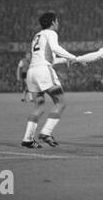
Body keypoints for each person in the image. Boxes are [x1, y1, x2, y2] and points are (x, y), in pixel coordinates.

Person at [21, 12, 77, 149]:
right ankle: (46, 132)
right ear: (52, 22)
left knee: (39, 106)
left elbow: (48, 58)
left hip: (32, 73)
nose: (58, 23)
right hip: (43, 72)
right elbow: (55, 48)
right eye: (57, 21)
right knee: (61, 102)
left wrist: (65, 59)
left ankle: (27, 139)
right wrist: (73, 57)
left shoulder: (37, 36)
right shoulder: (51, 33)